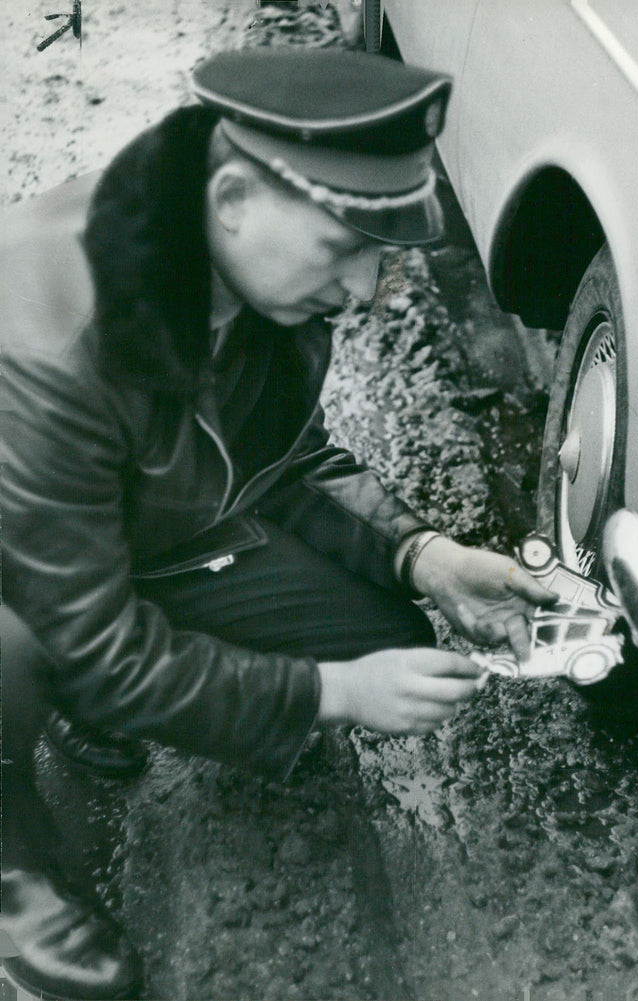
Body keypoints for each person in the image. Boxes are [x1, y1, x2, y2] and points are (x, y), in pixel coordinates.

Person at [0, 48, 555, 1000]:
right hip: (27, 576)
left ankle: (102, 714)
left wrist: (426, 557)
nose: (364, 290)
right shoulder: (49, 349)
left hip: (115, 541)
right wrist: (326, 694)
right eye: (344, 248)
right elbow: (88, 634)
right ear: (230, 199)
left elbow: (287, 458)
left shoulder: (260, 277)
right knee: (19, 642)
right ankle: (12, 870)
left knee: (376, 628)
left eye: (381, 258)